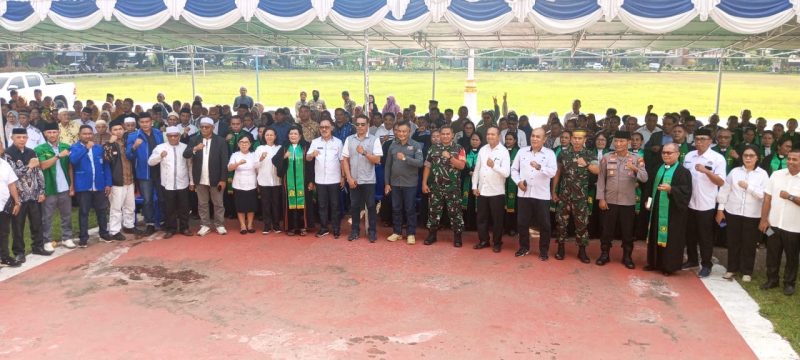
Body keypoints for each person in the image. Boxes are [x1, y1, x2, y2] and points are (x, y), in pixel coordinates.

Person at [596, 131, 648, 268]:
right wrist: (601, 198)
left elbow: (644, 178)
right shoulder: (607, 157)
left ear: (628, 142)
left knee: (627, 231)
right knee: (606, 230)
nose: (618, 144)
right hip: (609, 200)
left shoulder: (637, 158)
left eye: (622, 141)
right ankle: (604, 254)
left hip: (628, 202)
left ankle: (627, 256)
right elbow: (601, 179)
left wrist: (635, 168)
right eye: (616, 141)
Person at [716, 145, 767, 283]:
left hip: (753, 215)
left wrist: (748, 187)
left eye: (751, 155)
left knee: (749, 243)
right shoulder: (734, 172)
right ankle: (731, 268)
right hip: (733, 212)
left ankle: (747, 271)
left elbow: (764, 195)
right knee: (733, 242)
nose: (748, 158)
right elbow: (725, 191)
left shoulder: (762, 174)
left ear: (757, 158)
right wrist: (720, 210)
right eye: (745, 155)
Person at [683, 128, 726, 278]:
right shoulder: (689, 156)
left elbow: (721, 182)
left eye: (703, 139)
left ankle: (707, 264)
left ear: (710, 141)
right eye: (697, 139)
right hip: (689, 202)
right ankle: (692, 260)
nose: (699, 142)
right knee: (690, 234)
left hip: (706, 204)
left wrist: (707, 171)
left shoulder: (717, 158)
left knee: (705, 237)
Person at [644, 143, 693, 275]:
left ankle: (668, 267)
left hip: (673, 213)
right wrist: (648, 202)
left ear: (677, 154)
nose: (666, 155)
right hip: (656, 210)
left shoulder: (683, 172)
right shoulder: (657, 168)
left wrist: (671, 189)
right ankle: (653, 263)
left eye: (669, 153)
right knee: (655, 235)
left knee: (671, 240)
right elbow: (649, 187)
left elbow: (686, 192)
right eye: (664, 152)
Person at [5, 128, 51, 261]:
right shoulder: (8, 154)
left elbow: (38, 172)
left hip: (34, 195)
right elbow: (12, 174)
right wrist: (29, 166)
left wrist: (41, 191)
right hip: (18, 196)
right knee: (18, 225)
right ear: (12, 138)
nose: (22, 140)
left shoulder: (31, 152)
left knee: (37, 223)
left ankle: (38, 247)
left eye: (24, 137)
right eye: (18, 137)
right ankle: (19, 252)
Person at [759, 149, 800, 296]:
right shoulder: (776, 175)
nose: (790, 162)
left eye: (795, 159)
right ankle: (772, 280)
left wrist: (789, 197)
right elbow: (767, 198)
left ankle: (789, 283)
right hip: (773, 224)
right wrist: (764, 219)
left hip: (794, 227)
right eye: (789, 158)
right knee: (772, 253)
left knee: (792, 256)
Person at [511, 128, 557, 259]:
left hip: (541, 195)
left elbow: (553, 172)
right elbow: (513, 169)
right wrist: (518, 182)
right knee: (522, 223)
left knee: (544, 224)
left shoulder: (549, 154)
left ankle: (543, 251)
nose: (534, 139)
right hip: (524, 194)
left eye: (538, 137)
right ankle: (524, 247)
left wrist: (539, 167)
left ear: (544, 139)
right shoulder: (522, 151)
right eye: (533, 136)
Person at [184, 117, 229, 236]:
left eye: (207, 127)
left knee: (218, 203)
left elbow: (224, 161)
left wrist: (223, 179)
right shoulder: (194, 139)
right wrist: (195, 148)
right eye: (202, 127)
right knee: (202, 203)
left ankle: (219, 224)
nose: (204, 129)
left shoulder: (220, 141)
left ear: (212, 128)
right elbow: (186, 154)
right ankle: (205, 225)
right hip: (200, 177)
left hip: (216, 178)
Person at [340, 114, 381, 242]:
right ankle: (355, 231)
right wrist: (348, 178)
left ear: (368, 125)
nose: (360, 127)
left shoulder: (374, 139)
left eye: (363, 124)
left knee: (371, 206)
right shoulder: (349, 139)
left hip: (369, 180)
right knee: (355, 206)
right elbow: (345, 160)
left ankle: (372, 232)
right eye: (357, 124)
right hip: (354, 180)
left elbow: (377, 159)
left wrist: (364, 152)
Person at [422, 126, 466, 247]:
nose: (445, 136)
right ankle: (432, 234)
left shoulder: (459, 148)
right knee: (433, 211)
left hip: (453, 187)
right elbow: (427, 166)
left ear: (453, 135)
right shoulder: (433, 148)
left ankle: (457, 236)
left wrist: (450, 157)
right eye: (443, 134)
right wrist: (424, 183)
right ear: (440, 135)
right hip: (435, 187)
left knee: (455, 212)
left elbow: (462, 166)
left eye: (448, 134)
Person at [35, 122, 75, 251]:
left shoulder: (66, 147)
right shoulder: (40, 149)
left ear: (58, 132)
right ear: (45, 134)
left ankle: (67, 237)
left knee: (66, 215)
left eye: (54, 132)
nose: (52, 134)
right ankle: (47, 240)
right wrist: (58, 156)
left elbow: (70, 167)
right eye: (49, 132)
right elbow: (43, 165)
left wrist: (72, 184)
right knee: (47, 217)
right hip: (49, 188)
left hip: (64, 187)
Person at [471, 126, 512, 252]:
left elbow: (506, 173)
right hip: (482, 190)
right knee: (481, 218)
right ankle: (483, 240)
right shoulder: (483, 149)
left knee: (497, 219)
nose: (489, 136)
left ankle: (497, 242)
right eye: (488, 134)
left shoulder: (504, 152)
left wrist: (494, 166)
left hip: (497, 192)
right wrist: (474, 186)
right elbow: (477, 169)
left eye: (493, 134)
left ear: (498, 136)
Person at [69, 125, 111, 248]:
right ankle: (83, 237)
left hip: (99, 184)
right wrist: (86, 149)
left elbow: (106, 166)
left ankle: (104, 233)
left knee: (102, 210)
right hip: (83, 185)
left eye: (89, 133)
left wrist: (108, 183)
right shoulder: (74, 147)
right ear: (79, 135)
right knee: (84, 212)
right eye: (85, 134)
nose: (88, 136)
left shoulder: (98, 148)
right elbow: (73, 160)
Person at [148, 126, 193, 238]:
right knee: (169, 207)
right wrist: (160, 156)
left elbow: (190, 166)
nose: (173, 138)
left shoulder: (185, 147)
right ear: (167, 136)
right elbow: (150, 162)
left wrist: (192, 181)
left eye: (175, 136)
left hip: (183, 182)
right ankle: (171, 229)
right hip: (168, 183)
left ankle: (184, 228)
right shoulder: (160, 147)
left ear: (179, 136)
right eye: (170, 136)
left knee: (184, 207)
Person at [384, 121, 423, 244]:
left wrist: (406, 158)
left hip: (410, 183)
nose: (401, 134)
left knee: (410, 209)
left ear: (409, 131)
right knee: (396, 208)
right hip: (395, 183)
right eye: (399, 131)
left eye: (404, 131)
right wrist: (387, 183)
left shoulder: (415, 145)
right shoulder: (393, 145)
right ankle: (397, 232)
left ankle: (411, 233)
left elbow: (420, 163)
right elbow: (388, 165)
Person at [126, 112, 163, 236]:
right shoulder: (133, 136)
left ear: (151, 122)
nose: (145, 124)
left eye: (147, 122)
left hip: (160, 171)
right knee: (147, 200)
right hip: (144, 173)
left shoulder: (158, 133)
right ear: (138, 123)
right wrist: (134, 147)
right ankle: (150, 223)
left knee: (162, 198)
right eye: (142, 122)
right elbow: (128, 155)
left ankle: (162, 221)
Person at [306, 119, 343, 238]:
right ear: (319, 129)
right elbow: (307, 158)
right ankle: (323, 228)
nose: (324, 129)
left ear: (331, 128)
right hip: (320, 179)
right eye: (322, 127)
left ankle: (336, 228)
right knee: (322, 205)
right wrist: (312, 154)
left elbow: (342, 160)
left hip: (334, 179)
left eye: (326, 127)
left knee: (335, 205)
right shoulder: (315, 142)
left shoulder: (338, 142)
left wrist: (343, 177)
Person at [275, 127, 314, 236]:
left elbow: (311, 165)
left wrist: (311, 181)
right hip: (289, 182)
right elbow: (275, 160)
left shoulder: (306, 147)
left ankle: (303, 226)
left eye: (295, 134)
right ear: (288, 136)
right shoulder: (284, 148)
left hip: (304, 182)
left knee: (304, 204)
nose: (293, 135)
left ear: (300, 136)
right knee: (289, 203)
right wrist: (284, 157)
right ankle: (291, 227)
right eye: (291, 133)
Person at [103, 120, 136, 241]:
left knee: (130, 205)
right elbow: (106, 159)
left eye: (120, 129)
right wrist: (111, 144)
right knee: (116, 207)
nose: (118, 131)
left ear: (123, 130)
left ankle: (129, 225)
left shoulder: (127, 142)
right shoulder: (107, 145)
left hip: (130, 179)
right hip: (117, 181)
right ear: (110, 131)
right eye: (115, 130)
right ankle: (115, 230)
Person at [227, 133, 259, 234]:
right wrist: (238, 163)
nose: (244, 144)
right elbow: (229, 168)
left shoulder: (254, 155)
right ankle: (242, 225)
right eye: (241, 142)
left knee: (251, 206)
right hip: (239, 184)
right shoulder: (235, 155)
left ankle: (250, 225)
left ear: (250, 144)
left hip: (252, 183)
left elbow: (258, 169)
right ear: (238, 144)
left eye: (246, 142)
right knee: (240, 206)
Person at [255, 128, 283, 234]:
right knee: (265, 204)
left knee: (276, 204)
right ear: (264, 136)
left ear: (275, 136)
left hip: (277, 180)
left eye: (271, 135)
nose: (269, 137)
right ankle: (267, 225)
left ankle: (276, 225)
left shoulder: (280, 148)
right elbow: (255, 165)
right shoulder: (259, 148)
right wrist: (261, 158)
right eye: (267, 135)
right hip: (264, 180)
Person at [0, 143, 23, 267]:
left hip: (4, 205)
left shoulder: (4, 164)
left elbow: (11, 184)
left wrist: (17, 202)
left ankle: (4, 257)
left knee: (4, 232)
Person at [461, 132, 483, 231]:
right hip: (467, 180)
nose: (474, 142)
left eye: (477, 140)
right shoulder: (465, 151)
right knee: (468, 202)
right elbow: (461, 164)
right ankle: (468, 224)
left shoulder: (483, 152)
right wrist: (468, 171)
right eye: (473, 139)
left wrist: (477, 173)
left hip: (480, 181)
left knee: (479, 203)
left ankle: (479, 225)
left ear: (480, 141)